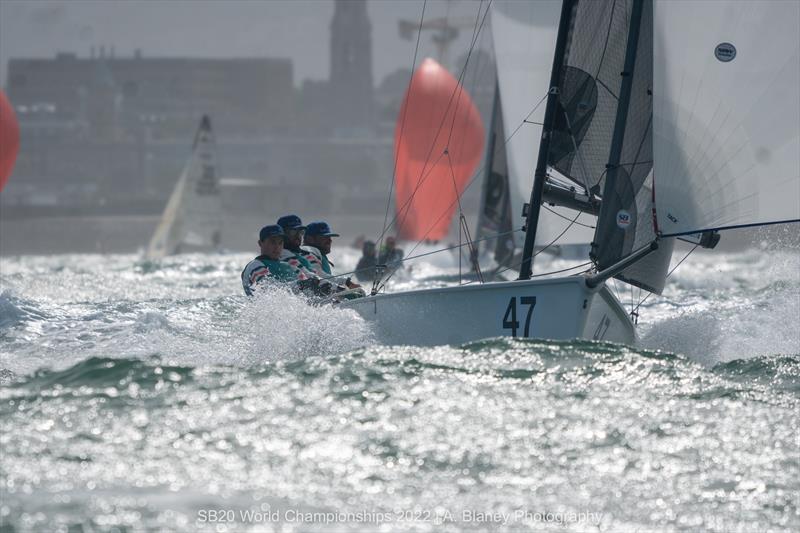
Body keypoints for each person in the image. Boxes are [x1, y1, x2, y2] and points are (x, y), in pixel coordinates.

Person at [241, 224, 310, 296]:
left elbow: (307, 290)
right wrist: (301, 285)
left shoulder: (291, 267)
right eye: (272, 242)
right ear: (260, 243)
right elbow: (270, 290)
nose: (277, 247)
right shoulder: (254, 265)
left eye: (280, 243)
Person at [303, 221, 362, 290]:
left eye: (329, 237)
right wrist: (346, 282)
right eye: (324, 238)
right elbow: (317, 274)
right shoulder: (309, 250)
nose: (330, 241)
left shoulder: (317, 253)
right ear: (310, 239)